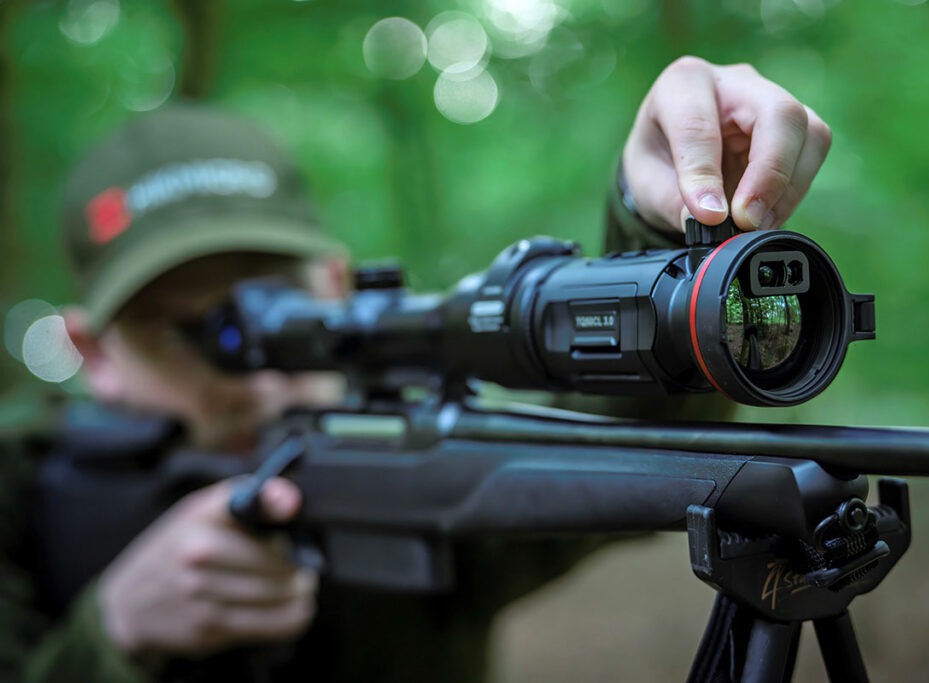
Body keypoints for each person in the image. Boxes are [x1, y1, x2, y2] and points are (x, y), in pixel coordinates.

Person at [0, 56, 831, 682]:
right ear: (94, 352)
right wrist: (110, 635)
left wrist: (673, 237)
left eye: (276, 303)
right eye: (187, 331)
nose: (254, 370)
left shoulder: (418, 460)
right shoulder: (21, 494)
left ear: (335, 285)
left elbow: (636, 440)